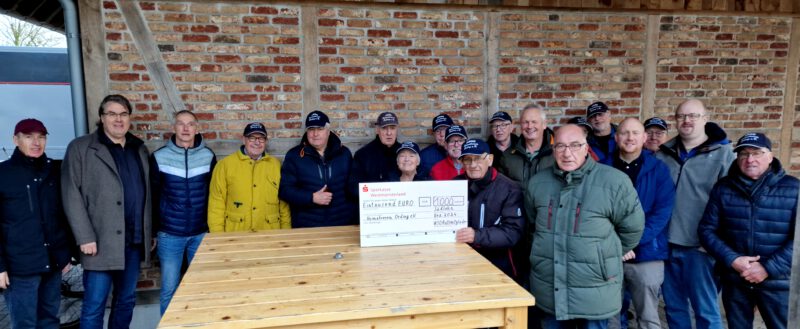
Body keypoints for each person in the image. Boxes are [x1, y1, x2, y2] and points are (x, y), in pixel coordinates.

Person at [525, 124, 644, 329]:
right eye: (560, 146)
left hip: (595, 286)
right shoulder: (538, 183)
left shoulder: (614, 182)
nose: (567, 153)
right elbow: (532, 224)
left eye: (574, 145)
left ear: (586, 147)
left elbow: (632, 229)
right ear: (553, 150)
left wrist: (603, 256)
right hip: (550, 285)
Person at [62, 94, 154, 329]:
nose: (118, 119)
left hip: (132, 241)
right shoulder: (81, 148)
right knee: (94, 305)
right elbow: (71, 194)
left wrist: (148, 232)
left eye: (123, 114)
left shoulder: (138, 148)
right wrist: (84, 237)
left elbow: (146, 194)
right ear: (102, 118)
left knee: (125, 301)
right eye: (112, 113)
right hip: (98, 243)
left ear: (129, 118)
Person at [699, 133, 798, 329]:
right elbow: (706, 230)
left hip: (778, 281)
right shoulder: (724, 188)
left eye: (757, 153)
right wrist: (733, 260)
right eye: (743, 154)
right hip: (736, 279)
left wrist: (766, 268)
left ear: (770, 156)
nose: (750, 159)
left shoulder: (794, 189)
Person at [656, 99, 735, 329]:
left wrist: (715, 241)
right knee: (674, 307)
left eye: (693, 116)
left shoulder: (723, 155)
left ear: (705, 119)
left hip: (700, 248)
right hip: (667, 245)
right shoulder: (663, 154)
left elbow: (730, 204)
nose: (687, 120)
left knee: (705, 310)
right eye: (681, 116)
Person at [0, 119, 73, 329]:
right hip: (20, 268)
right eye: (28, 136)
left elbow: (64, 214)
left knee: (50, 320)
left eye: (41, 136)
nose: (36, 142)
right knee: (25, 324)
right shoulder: (3, 174)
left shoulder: (54, 171)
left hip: (52, 264)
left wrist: (66, 254)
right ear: (16, 139)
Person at [611, 118, 675, 329]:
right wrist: (616, 244)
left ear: (644, 138)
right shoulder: (601, 168)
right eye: (625, 133)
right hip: (610, 254)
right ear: (616, 137)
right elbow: (594, 213)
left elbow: (661, 213)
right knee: (609, 316)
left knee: (647, 317)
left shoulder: (659, 170)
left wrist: (630, 243)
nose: (630, 138)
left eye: (635, 133)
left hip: (647, 254)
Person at [151, 110, 217, 314]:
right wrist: (154, 231)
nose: (186, 128)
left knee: (200, 288)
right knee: (169, 289)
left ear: (197, 128)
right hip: (170, 234)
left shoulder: (208, 156)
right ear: (174, 128)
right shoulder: (160, 157)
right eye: (181, 124)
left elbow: (215, 194)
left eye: (190, 124)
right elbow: (153, 197)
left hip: (200, 234)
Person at [454, 139, 523, 280]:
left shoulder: (509, 189)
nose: (473, 165)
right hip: (460, 263)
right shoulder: (453, 185)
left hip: (498, 266)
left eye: (478, 159)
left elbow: (513, 232)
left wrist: (477, 236)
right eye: (467, 159)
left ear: (490, 160)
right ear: (461, 163)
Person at [208, 122, 290, 232]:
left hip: (269, 233)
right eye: (252, 138)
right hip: (235, 234)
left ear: (266, 141)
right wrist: (218, 236)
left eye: (261, 138)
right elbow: (216, 204)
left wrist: (285, 233)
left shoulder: (275, 165)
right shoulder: (225, 165)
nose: (257, 142)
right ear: (243, 139)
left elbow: (284, 205)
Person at [279, 111, 355, 227]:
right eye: (311, 129)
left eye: (320, 129)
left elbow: (353, 188)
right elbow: (284, 190)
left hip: (341, 225)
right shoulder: (294, 156)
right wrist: (311, 197)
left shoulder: (344, 154)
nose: (315, 134)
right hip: (307, 226)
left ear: (328, 131)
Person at [499, 104, 555, 189]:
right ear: (521, 125)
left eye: (534, 122)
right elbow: (501, 189)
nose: (529, 126)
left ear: (544, 124)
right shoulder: (507, 156)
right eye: (525, 122)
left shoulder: (557, 154)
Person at [352, 112, 401, 183]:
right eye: (384, 128)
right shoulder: (363, 155)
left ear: (397, 130)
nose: (389, 133)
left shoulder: (404, 152)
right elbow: (354, 186)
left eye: (392, 128)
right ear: (377, 130)